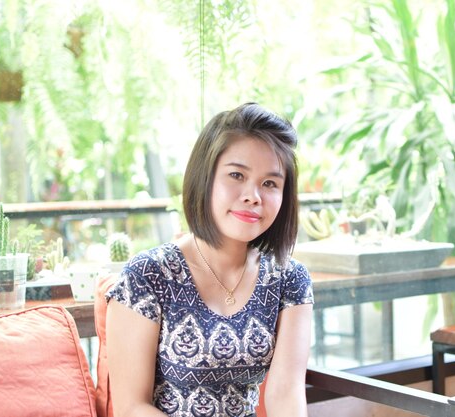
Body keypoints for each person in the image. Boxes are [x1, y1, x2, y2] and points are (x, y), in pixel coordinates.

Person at [105, 102, 314, 417]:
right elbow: (131, 407)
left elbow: (286, 394)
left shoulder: (290, 280)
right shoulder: (146, 276)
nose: (253, 195)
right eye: (236, 175)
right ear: (205, 178)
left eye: (270, 183)